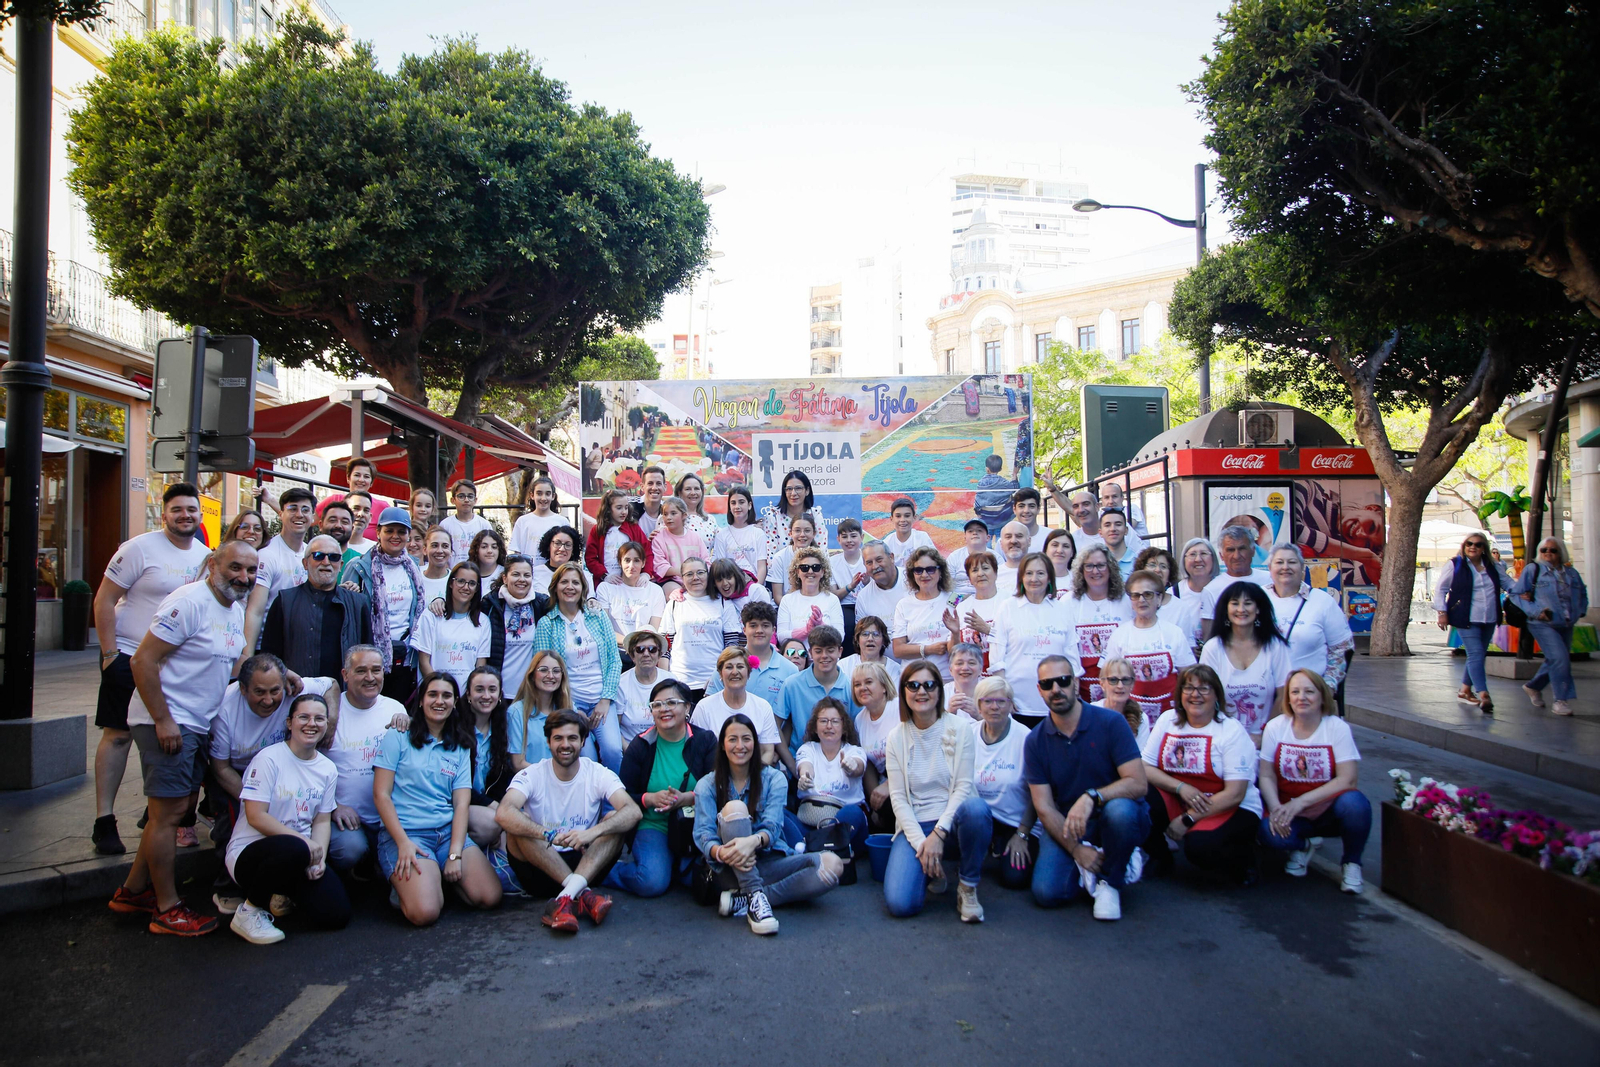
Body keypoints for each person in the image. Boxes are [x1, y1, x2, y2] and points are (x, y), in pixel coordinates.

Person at [108, 540, 256, 936]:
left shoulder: (234, 607)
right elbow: (142, 660)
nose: (243, 577)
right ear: (213, 565)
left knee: (174, 812)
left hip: (195, 726)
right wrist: (163, 720)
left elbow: (232, 666)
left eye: (251, 570)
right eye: (235, 568)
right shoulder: (187, 602)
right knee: (167, 816)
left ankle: (135, 891)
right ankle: (167, 909)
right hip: (171, 725)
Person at [91, 482, 211, 855]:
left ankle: (154, 810)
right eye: (177, 509)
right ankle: (104, 820)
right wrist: (109, 654)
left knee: (166, 739)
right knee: (119, 735)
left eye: (192, 509)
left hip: (176, 668)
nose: (185, 515)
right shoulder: (138, 548)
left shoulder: (207, 557)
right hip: (129, 655)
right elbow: (105, 599)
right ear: (164, 515)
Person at [1024, 654, 1150, 918]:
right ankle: (1101, 861)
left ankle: (1110, 880)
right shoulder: (1035, 741)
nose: (1055, 689)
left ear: (1076, 682)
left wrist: (1092, 797)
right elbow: (1044, 807)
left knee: (1121, 813)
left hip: (1111, 815)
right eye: (1047, 684)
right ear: (1039, 690)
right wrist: (1077, 850)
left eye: (1063, 680)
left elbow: (1138, 783)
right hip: (1070, 825)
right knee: (1048, 893)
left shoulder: (1111, 723)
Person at [693, 715, 844, 934]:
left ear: (755, 743)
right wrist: (721, 852)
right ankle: (755, 898)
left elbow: (773, 826)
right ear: (723, 746)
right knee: (735, 808)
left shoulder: (774, 778)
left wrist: (752, 842)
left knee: (833, 865)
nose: (740, 746)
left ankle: (749, 898)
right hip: (729, 868)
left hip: (771, 860)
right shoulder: (707, 784)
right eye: (732, 739)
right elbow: (703, 833)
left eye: (746, 739)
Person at [373, 673, 502, 926]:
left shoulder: (461, 745)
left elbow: (461, 804)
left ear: (455, 702)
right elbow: (381, 795)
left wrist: (455, 853)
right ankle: (411, 886)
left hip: (445, 832)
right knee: (425, 913)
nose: (439, 701)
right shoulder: (398, 736)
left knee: (491, 896)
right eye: (432, 694)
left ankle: (439, 876)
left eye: (446, 696)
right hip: (408, 835)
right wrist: (403, 842)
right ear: (421, 700)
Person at [206, 656, 335, 909]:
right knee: (230, 822)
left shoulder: (293, 688)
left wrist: (329, 724)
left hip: (286, 766)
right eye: (259, 692)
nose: (269, 700)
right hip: (236, 772)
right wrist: (259, 799)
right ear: (243, 689)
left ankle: (286, 885)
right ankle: (230, 888)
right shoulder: (225, 710)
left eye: (274, 690)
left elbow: (331, 684)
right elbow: (219, 768)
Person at [224, 693, 350, 944]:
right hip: (251, 855)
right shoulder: (269, 759)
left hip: (298, 856)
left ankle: (281, 893)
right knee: (294, 846)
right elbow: (255, 816)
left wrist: (319, 859)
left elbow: (322, 821)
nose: (311, 724)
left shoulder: (327, 768)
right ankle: (248, 912)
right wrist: (305, 845)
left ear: (327, 724)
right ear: (289, 722)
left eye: (319, 718)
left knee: (336, 914)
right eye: (303, 717)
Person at [496, 710, 639, 930]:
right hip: (541, 864)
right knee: (518, 823)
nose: (565, 744)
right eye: (558, 738)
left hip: (586, 862)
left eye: (572, 738)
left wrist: (592, 832)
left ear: (583, 741)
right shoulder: (532, 774)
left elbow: (633, 812)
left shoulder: (597, 772)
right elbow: (503, 812)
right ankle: (583, 895)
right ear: (548, 742)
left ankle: (563, 901)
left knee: (614, 819)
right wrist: (547, 834)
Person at [883, 660, 990, 922]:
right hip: (917, 822)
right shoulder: (896, 737)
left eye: (929, 685)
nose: (922, 691)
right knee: (900, 904)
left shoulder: (960, 728)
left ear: (940, 690)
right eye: (914, 685)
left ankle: (967, 885)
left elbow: (964, 787)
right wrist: (923, 845)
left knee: (977, 810)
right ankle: (932, 868)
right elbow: (897, 798)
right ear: (904, 691)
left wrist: (938, 835)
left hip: (954, 821)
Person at [1142, 664, 1264, 885]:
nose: (1195, 695)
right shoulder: (1167, 720)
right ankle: (1160, 857)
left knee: (1201, 849)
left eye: (1204, 689)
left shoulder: (1231, 730)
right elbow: (1146, 767)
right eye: (1188, 688)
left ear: (1216, 694)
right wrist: (1181, 788)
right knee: (1139, 799)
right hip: (1183, 797)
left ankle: (1243, 860)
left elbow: (1235, 793)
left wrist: (1187, 819)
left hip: (1228, 806)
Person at [1258, 669, 1371, 893]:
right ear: (1288, 698)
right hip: (1290, 811)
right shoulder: (1275, 727)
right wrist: (1276, 808)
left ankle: (1351, 862)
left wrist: (1301, 802)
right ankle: (1302, 845)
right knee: (1267, 833)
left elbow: (1348, 779)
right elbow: (1266, 774)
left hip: (1328, 810)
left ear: (1321, 696)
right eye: (1295, 692)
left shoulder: (1336, 728)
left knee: (1356, 805)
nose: (1302, 697)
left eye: (1309, 691)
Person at [612, 679, 716, 897]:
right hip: (653, 824)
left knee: (704, 879)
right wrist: (648, 799)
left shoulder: (704, 740)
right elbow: (623, 793)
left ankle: (672, 867)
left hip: (695, 825)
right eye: (657, 705)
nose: (663, 709)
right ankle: (606, 871)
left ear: (687, 707)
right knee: (652, 882)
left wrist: (687, 798)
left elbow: (720, 785)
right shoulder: (640, 745)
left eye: (671, 702)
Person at [325, 645, 409, 876]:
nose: (370, 678)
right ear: (345, 675)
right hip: (346, 819)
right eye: (361, 671)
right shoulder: (330, 712)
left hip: (389, 817)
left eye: (376, 670)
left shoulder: (395, 709)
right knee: (350, 850)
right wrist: (333, 807)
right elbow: (311, 768)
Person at [532, 563, 624, 771]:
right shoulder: (548, 624)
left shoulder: (597, 616)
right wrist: (571, 709)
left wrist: (605, 699)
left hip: (601, 698)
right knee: (586, 756)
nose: (570, 587)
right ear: (555, 587)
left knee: (612, 750)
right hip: (569, 700)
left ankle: (612, 803)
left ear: (583, 587)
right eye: (564, 582)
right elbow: (543, 671)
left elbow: (613, 660)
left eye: (575, 582)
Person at [342, 507, 426, 702]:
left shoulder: (413, 566)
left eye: (401, 532)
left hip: (405, 657)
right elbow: (345, 609)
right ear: (378, 532)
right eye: (389, 531)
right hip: (369, 659)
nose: (395, 536)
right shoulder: (358, 567)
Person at [261, 535, 373, 680]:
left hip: (345, 696)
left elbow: (368, 654)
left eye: (333, 557)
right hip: (298, 694)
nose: (326, 562)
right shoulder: (285, 601)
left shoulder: (358, 604)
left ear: (340, 565)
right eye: (318, 556)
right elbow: (270, 656)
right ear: (305, 563)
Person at [1104, 569, 1197, 728]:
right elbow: (1109, 680)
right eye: (1136, 595)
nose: (1141, 600)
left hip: (1170, 717)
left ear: (1159, 598)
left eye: (1148, 594)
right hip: (1130, 718)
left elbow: (1188, 677)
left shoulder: (1174, 633)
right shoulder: (1119, 635)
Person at [988, 552, 1074, 725]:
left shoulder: (1062, 609)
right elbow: (997, 658)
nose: (1034, 578)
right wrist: (1005, 697)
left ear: (1049, 577)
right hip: (1018, 705)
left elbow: (1072, 655)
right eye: (1029, 573)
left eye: (1040, 573)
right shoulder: (1008, 607)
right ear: (1021, 578)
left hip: (1056, 703)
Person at [969, 676, 1038, 890]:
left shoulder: (1026, 739)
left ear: (1011, 705)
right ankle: (984, 846)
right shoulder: (968, 734)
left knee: (1014, 879)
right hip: (979, 818)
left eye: (1001, 701)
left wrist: (1022, 834)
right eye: (987, 701)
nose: (994, 707)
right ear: (979, 705)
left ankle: (1003, 844)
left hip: (1015, 821)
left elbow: (1039, 794)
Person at [1200, 582, 1290, 736]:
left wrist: (1265, 735)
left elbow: (1284, 695)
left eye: (1248, 603)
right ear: (1226, 609)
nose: (1241, 609)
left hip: (1266, 738)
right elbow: (1203, 697)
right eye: (1235, 603)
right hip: (1221, 737)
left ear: (1258, 608)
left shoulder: (1275, 647)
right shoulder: (1213, 648)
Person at [1514, 536, 1590, 716]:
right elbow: (1516, 595)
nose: (1548, 553)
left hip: (1566, 622)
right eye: (1544, 550)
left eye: (1553, 550)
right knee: (1561, 658)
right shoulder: (1533, 570)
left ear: (1560, 553)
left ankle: (1533, 686)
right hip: (1542, 623)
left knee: (1555, 659)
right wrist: (1535, 611)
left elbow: (1582, 593)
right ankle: (1560, 700)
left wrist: (1580, 610)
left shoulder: (1571, 573)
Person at [1264, 544, 1354, 691]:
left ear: (1302, 568)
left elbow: (1341, 649)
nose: (1285, 567)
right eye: (1279, 562)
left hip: (1307, 693)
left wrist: (1327, 688)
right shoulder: (1256, 599)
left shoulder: (1323, 601)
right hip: (1265, 693)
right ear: (1270, 568)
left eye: (1292, 562)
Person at [1063, 545, 1133, 704]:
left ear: (1110, 568)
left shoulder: (1126, 601)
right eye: (1089, 566)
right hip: (1080, 686)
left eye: (1101, 565)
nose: (1095, 571)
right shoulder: (1068, 602)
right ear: (1081, 570)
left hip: (1119, 685)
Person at [796, 697, 869, 851]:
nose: (829, 726)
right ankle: (820, 845)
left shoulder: (854, 751)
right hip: (809, 823)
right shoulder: (807, 749)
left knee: (853, 812)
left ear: (844, 727)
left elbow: (858, 766)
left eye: (835, 721)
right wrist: (805, 777)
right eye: (823, 721)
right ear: (815, 727)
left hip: (845, 826)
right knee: (781, 816)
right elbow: (805, 765)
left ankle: (813, 848)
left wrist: (851, 766)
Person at [777, 624, 856, 763]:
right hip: (800, 764)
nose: (824, 656)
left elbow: (857, 731)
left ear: (840, 651)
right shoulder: (792, 685)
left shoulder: (851, 687)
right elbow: (774, 727)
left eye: (830, 650)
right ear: (810, 653)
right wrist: (791, 764)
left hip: (841, 766)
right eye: (818, 651)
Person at [692, 647, 784, 766]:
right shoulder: (704, 707)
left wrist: (751, 778)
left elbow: (767, 751)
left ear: (748, 673)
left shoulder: (763, 707)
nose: (735, 672)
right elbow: (697, 751)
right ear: (720, 673)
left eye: (740, 666)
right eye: (729, 667)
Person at [410, 562, 491, 690]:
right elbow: (424, 662)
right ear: (451, 583)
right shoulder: (431, 616)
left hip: (466, 697)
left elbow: (480, 665)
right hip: (435, 694)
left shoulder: (483, 621)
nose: (466, 587)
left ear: (477, 589)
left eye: (472, 583)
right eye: (461, 581)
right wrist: (439, 691)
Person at [707, 601, 798, 709]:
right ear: (744, 629)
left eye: (765, 625)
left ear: (773, 630)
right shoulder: (728, 664)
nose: (759, 630)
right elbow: (710, 705)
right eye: (753, 625)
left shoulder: (790, 670)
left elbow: (792, 713)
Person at [462, 666, 515, 849]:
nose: (486, 696)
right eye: (479, 689)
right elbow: (458, 786)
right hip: (457, 803)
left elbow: (503, 778)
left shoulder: (502, 729)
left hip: (488, 804)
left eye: (492, 690)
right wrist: (495, 807)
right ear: (468, 694)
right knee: (494, 823)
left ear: (500, 695)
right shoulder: (454, 728)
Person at [659, 557, 725, 701]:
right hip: (680, 680)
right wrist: (666, 681)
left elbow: (732, 644)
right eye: (689, 574)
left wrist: (720, 674)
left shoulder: (722, 602)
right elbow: (665, 645)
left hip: (715, 680)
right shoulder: (674, 604)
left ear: (708, 574)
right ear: (682, 578)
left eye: (700, 572)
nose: (695, 578)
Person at [891, 546, 959, 681]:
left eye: (930, 569)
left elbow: (960, 647)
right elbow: (898, 650)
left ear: (941, 572)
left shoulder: (955, 599)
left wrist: (955, 634)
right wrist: (928, 649)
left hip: (946, 678)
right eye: (918, 570)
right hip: (913, 678)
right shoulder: (903, 604)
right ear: (912, 574)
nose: (924, 575)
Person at [483, 554, 545, 696]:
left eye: (527, 575)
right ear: (505, 578)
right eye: (516, 574)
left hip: (530, 694)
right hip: (498, 693)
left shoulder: (541, 605)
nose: (522, 579)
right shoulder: (489, 605)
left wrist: (591, 599)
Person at [1201, 525, 1273, 639]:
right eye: (1230, 550)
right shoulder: (1211, 590)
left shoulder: (1270, 580)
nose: (1236, 556)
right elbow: (1209, 637)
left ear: (1253, 551)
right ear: (1221, 555)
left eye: (1242, 549)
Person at [852, 662, 899, 833]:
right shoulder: (860, 719)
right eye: (857, 684)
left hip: (911, 780)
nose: (862, 688)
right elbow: (868, 763)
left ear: (884, 686)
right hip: (883, 782)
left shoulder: (900, 708)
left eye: (868, 682)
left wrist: (890, 785)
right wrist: (875, 800)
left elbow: (918, 754)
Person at [596, 540, 667, 655]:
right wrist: (629, 643)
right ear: (620, 562)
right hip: (614, 651)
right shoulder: (606, 588)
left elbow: (654, 629)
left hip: (643, 653)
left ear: (643, 563)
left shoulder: (655, 591)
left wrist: (638, 647)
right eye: (627, 560)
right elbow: (603, 628)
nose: (631, 566)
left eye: (636, 561)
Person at [507, 650, 569, 770]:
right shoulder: (516, 712)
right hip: (531, 784)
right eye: (543, 670)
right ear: (532, 675)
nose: (550, 676)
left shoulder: (569, 708)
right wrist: (552, 777)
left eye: (556, 671)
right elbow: (518, 764)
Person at [614, 630, 677, 744]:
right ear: (632, 656)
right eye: (640, 649)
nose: (646, 654)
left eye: (652, 649)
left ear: (659, 655)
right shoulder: (620, 683)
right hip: (629, 747)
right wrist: (630, 752)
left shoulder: (671, 681)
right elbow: (615, 727)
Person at [1137, 545, 1201, 654]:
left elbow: (1186, 650)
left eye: (1163, 566)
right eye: (1152, 565)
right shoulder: (1132, 603)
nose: (1158, 570)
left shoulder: (1181, 608)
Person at [777, 545, 845, 642]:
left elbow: (840, 637)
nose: (810, 571)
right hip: (796, 655)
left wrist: (820, 625)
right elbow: (781, 637)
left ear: (822, 572)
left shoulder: (832, 599)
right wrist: (806, 630)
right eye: (804, 568)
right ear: (797, 572)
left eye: (816, 567)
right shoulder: (787, 600)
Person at [949, 550, 1004, 664]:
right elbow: (952, 652)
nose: (980, 574)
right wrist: (955, 634)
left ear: (996, 573)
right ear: (969, 579)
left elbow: (1019, 642)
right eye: (974, 570)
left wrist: (988, 630)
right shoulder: (962, 607)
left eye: (985, 568)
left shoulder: (1009, 601)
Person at [761, 469, 830, 558]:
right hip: (781, 570)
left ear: (807, 491)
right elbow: (770, 555)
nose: (793, 493)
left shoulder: (815, 515)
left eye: (798, 488)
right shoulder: (773, 517)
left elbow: (822, 552)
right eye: (789, 489)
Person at [648, 496, 710, 595]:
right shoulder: (658, 537)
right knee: (679, 595)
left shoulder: (695, 537)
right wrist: (683, 572)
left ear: (684, 515)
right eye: (665, 514)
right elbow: (659, 565)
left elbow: (706, 562)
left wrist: (693, 575)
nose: (668, 517)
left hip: (695, 578)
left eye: (673, 513)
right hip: (671, 580)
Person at [586, 489, 647, 584]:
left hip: (630, 582)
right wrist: (604, 575)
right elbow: (590, 558)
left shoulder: (633, 528)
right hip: (606, 583)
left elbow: (647, 550)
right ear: (608, 509)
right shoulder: (598, 530)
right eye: (619, 508)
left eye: (626, 507)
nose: (624, 512)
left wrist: (646, 573)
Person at [712, 485, 768, 586]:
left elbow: (762, 567)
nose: (737, 506)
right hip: (730, 589)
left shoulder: (758, 533)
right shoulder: (722, 535)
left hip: (754, 587)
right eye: (733, 503)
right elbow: (720, 567)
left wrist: (756, 589)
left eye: (741, 502)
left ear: (749, 505)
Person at [828, 518, 869, 649]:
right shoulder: (832, 562)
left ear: (862, 537)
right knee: (847, 625)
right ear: (838, 539)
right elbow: (833, 595)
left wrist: (868, 583)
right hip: (845, 605)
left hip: (868, 603)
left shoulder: (869, 558)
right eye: (844, 537)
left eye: (853, 536)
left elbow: (881, 588)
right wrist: (850, 586)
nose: (849, 540)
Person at [711, 558, 773, 644]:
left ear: (736, 576)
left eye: (729, 578)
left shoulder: (755, 590)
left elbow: (766, 624)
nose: (725, 583)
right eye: (719, 580)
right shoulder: (719, 598)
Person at [510, 477, 566, 565]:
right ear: (532, 495)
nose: (543, 498)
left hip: (554, 575)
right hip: (528, 575)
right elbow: (517, 553)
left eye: (547, 494)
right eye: (539, 493)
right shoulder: (522, 521)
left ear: (553, 496)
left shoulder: (562, 522)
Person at [854, 540, 910, 628]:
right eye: (869, 562)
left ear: (891, 557)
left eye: (879, 560)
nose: (875, 566)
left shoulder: (913, 580)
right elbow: (862, 634)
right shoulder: (863, 597)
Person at [839, 615, 901, 692]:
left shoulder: (896, 670)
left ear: (883, 640)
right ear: (857, 639)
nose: (870, 639)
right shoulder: (843, 666)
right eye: (865, 634)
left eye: (876, 634)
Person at [439, 479, 494, 566]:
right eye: (461, 496)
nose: (466, 500)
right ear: (453, 500)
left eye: (470, 496)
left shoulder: (484, 525)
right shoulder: (445, 525)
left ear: (475, 500)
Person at [1096, 656, 1147, 748]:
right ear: (1102, 684)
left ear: (1132, 684)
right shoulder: (1090, 712)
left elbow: (1140, 758)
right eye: (1113, 680)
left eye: (1125, 680)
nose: (1120, 686)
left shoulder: (1141, 718)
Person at [767, 513, 821, 599]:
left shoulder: (821, 558)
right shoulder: (780, 557)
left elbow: (825, 590)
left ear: (814, 533)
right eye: (797, 530)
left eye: (807, 530)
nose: (802, 534)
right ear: (790, 533)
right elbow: (778, 596)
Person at [882, 496, 935, 567]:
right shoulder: (887, 543)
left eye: (907, 516)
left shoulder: (922, 538)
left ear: (914, 518)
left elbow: (934, 562)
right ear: (891, 519)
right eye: (898, 516)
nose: (902, 520)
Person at [947, 519, 995, 598]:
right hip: (957, 602)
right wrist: (959, 603)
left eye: (979, 530)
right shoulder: (954, 557)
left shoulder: (996, 558)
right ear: (965, 538)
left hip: (987, 600)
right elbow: (946, 587)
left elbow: (1001, 583)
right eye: (970, 531)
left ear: (988, 537)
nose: (975, 533)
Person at [973, 455, 1018, 536]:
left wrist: (978, 512)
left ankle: (988, 546)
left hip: (986, 518)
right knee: (1000, 535)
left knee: (987, 536)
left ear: (987, 469)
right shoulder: (1003, 482)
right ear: (1000, 469)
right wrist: (1014, 478)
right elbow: (1014, 488)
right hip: (1001, 518)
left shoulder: (981, 483)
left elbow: (978, 500)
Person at [533, 524, 582, 593]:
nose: (562, 549)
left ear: (573, 550)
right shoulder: (534, 573)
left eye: (568, 545)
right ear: (548, 546)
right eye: (557, 543)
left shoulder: (583, 575)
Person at [944, 642, 986, 721]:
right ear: (950, 670)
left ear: (980, 669)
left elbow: (1005, 728)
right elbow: (932, 730)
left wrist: (978, 716)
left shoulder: (992, 692)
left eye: (971, 663)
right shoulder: (941, 693)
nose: (965, 668)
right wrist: (950, 713)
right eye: (959, 663)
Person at [318, 500, 358, 577]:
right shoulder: (309, 556)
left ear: (352, 529)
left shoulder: (360, 561)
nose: (338, 525)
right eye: (332, 520)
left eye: (345, 522)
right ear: (320, 525)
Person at [675, 473, 718, 545]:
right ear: (679, 493)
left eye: (696, 489)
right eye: (688, 489)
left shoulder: (710, 520)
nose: (693, 493)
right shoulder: (668, 517)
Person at [419, 526, 454, 609]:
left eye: (445, 546)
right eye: (434, 545)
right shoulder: (416, 578)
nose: (439, 551)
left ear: (451, 551)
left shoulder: (456, 580)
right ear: (424, 550)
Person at [1175, 537, 1220, 601]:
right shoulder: (1174, 594)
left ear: (1213, 559)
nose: (1198, 559)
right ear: (1184, 560)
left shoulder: (1224, 589)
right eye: (1192, 554)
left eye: (1203, 553)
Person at [1099, 509, 1139, 580]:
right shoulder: (1095, 563)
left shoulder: (1138, 562)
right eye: (1107, 525)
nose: (1113, 529)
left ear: (1126, 530)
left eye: (1118, 524)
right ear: (1100, 532)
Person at [470, 528, 507, 596]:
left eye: (494, 547)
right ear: (476, 550)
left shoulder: (506, 574)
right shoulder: (469, 573)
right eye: (484, 547)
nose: (489, 551)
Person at [634, 465, 669, 537]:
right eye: (650, 483)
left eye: (658, 483)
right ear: (642, 487)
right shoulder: (630, 506)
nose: (654, 488)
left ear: (665, 487)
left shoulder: (669, 510)